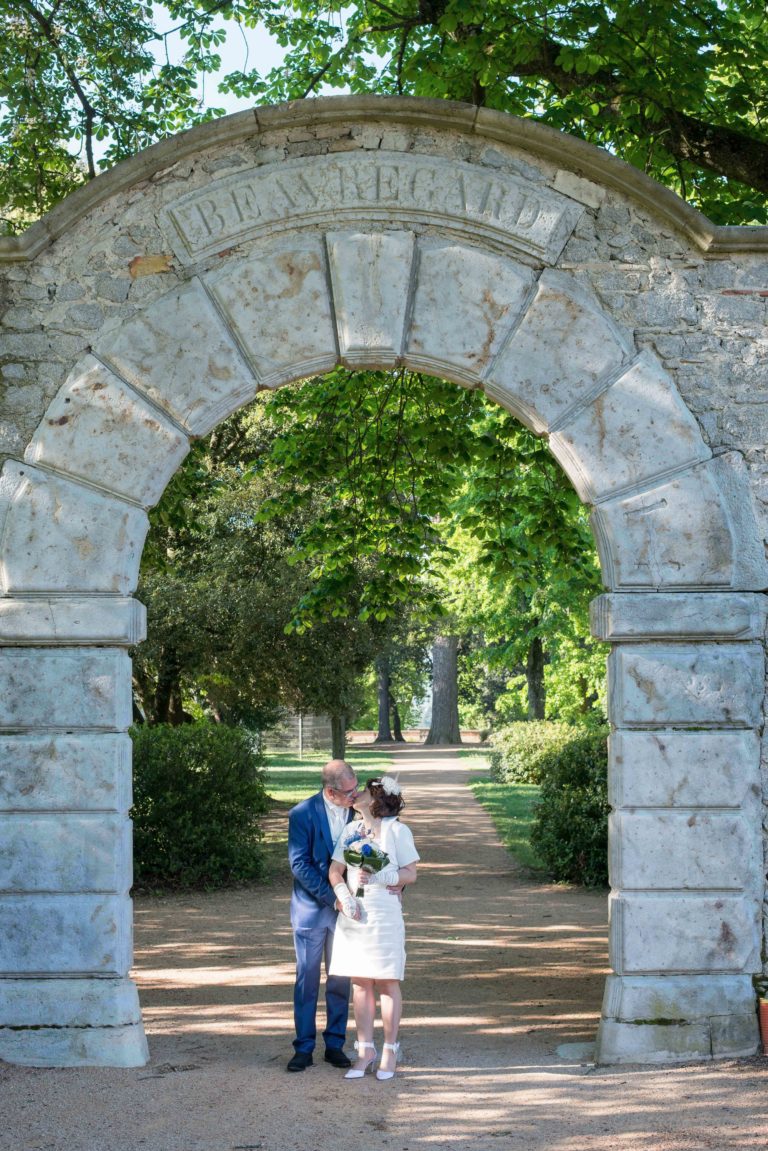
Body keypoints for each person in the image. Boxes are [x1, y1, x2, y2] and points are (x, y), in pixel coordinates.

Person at [328, 776, 419, 1081]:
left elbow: (410, 874)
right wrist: (343, 898)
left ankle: (390, 1049)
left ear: (376, 800)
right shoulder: (352, 830)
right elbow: (335, 871)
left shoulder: (397, 831)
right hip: (355, 913)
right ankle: (365, 1049)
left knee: (387, 981)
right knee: (360, 982)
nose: (357, 795)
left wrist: (381, 879)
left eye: (364, 792)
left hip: (384, 912)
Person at [286, 758, 360, 1073]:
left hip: (346, 912)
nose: (355, 796)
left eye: (356, 788)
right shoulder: (301, 814)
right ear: (330, 791)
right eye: (348, 792)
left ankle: (334, 1045)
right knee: (307, 979)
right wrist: (334, 898)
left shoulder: (358, 813)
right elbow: (299, 864)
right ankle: (303, 1047)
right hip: (312, 910)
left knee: (341, 979)